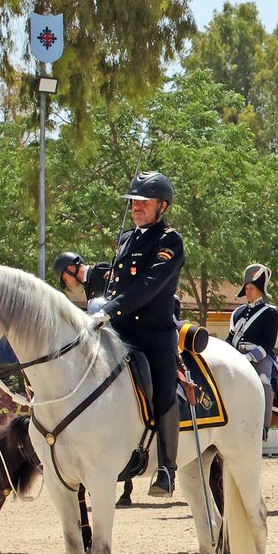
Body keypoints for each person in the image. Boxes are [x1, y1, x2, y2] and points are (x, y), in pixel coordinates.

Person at [96, 171, 184, 496]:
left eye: (144, 202)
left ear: (162, 206)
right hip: (117, 332)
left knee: (164, 392)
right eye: (134, 201)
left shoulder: (169, 242)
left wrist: (109, 309)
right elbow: (115, 283)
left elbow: (147, 286)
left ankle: (167, 468)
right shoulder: (125, 239)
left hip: (153, 336)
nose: (136, 207)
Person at [229, 263, 278, 433]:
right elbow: (230, 338)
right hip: (235, 354)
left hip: (259, 356)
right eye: (247, 288)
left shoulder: (269, 312)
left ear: (260, 290)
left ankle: (263, 426)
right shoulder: (237, 313)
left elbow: (268, 343)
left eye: (252, 288)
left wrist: (249, 357)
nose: (248, 291)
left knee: (264, 382)